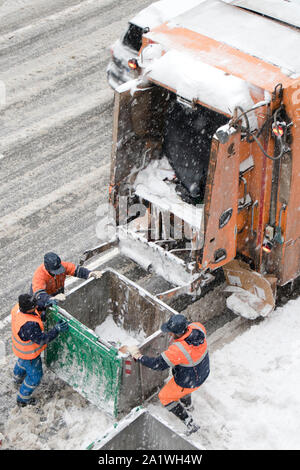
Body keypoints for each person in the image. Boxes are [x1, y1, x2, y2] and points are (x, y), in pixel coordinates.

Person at [127, 314, 210, 435]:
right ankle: (188, 405)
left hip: (190, 381)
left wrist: (138, 356)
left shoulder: (179, 350)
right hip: (203, 371)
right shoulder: (198, 327)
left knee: (165, 396)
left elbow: (157, 364)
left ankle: (190, 423)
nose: (169, 334)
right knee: (184, 390)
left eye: (171, 332)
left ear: (179, 333)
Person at [11, 294, 69, 407]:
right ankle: (22, 399)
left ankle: (16, 378)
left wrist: (45, 304)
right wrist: (56, 330)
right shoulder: (29, 325)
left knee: (22, 363)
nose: (36, 306)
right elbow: (42, 340)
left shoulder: (18, 307)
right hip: (30, 355)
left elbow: (36, 306)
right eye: (34, 305)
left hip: (21, 350)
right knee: (35, 377)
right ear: (28, 309)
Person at [31, 252, 102, 310]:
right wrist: (51, 298)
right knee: (43, 311)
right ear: (48, 269)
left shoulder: (62, 265)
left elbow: (75, 270)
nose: (58, 273)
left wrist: (90, 273)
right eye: (55, 271)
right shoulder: (39, 276)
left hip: (58, 291)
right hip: (44, 297)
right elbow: (39, 294)